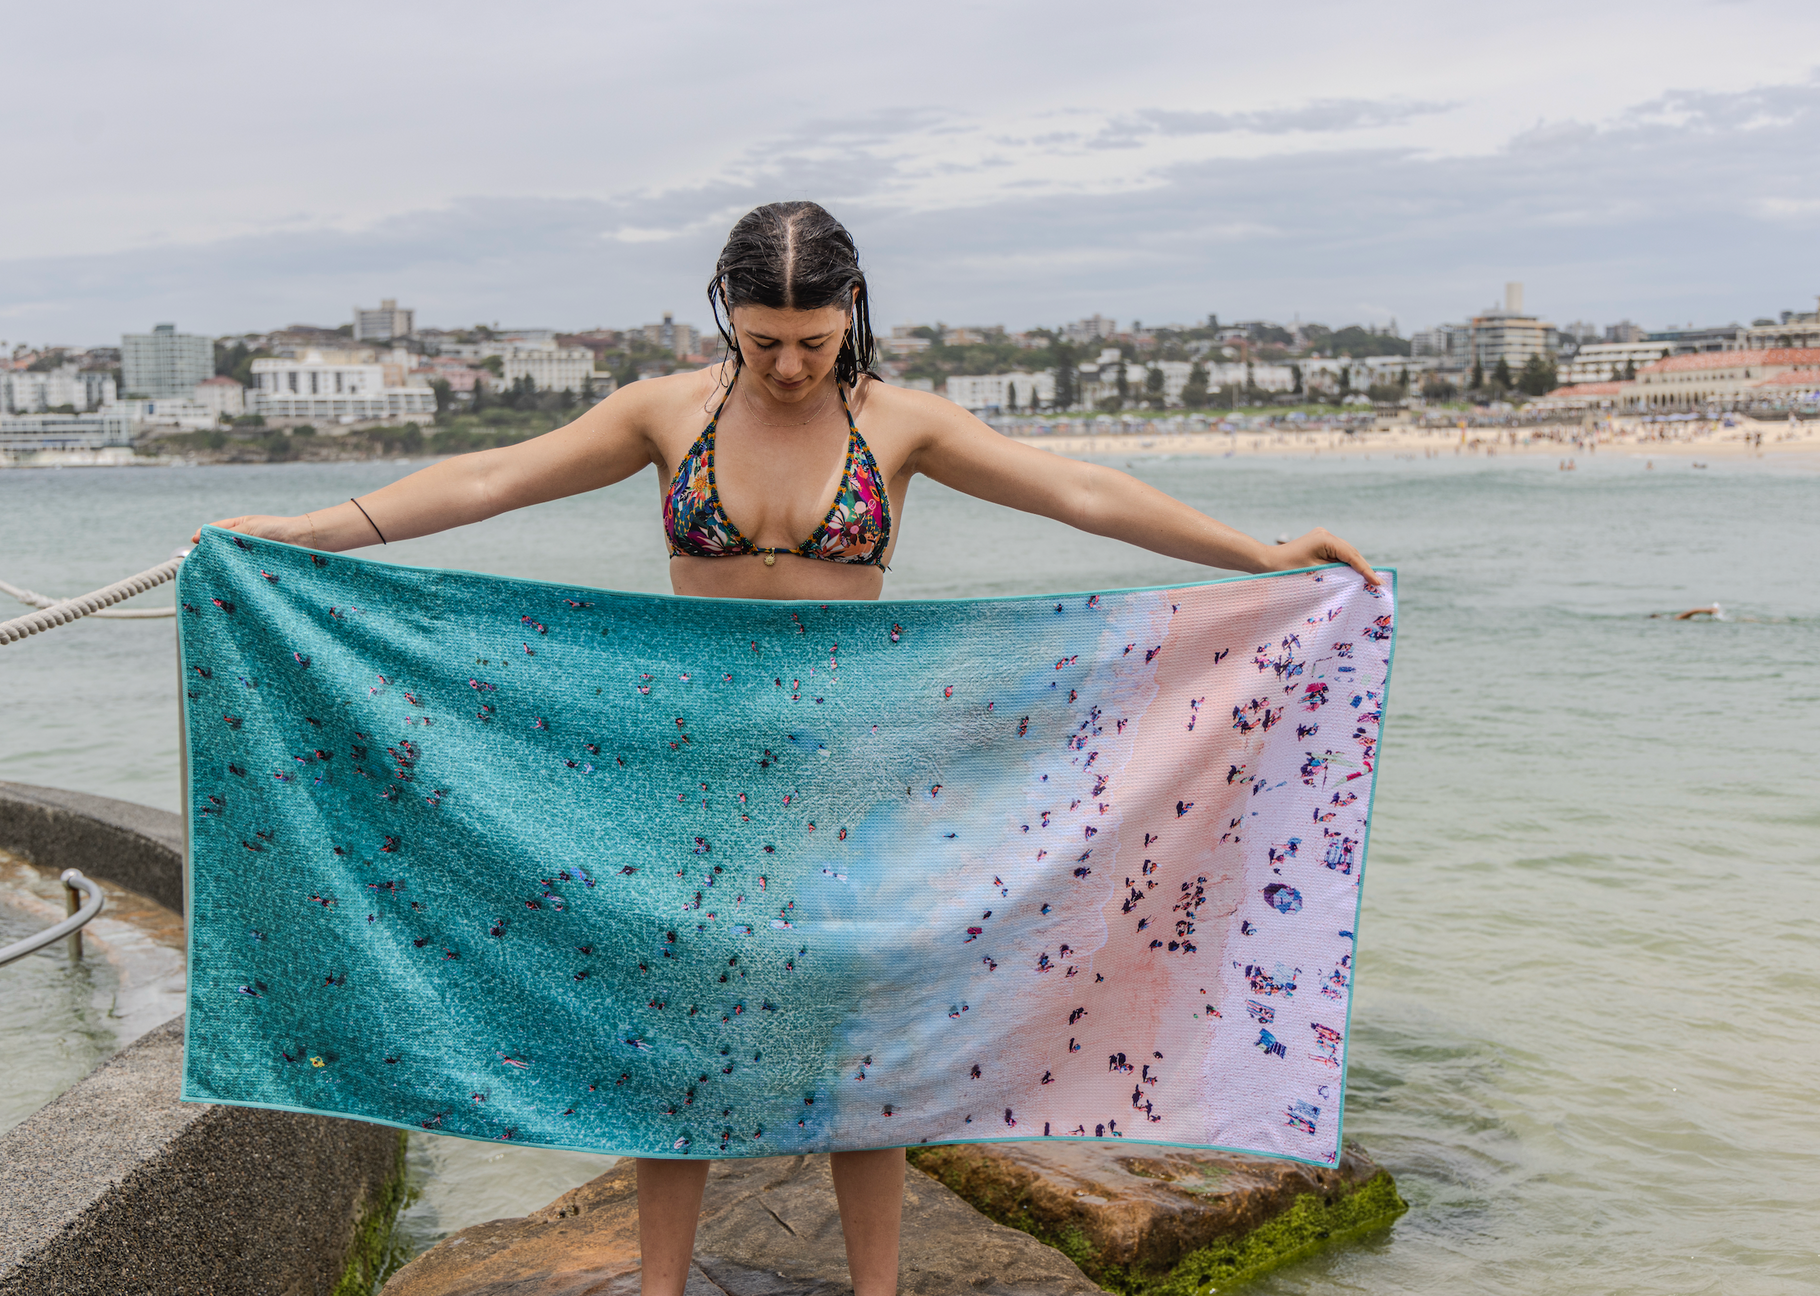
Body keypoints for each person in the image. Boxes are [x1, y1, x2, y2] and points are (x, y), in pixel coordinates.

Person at [194, 200, 1379, 1296]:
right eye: (765, 340)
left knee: (866, 1046)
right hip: (687, 776)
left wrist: (1258, 558)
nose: (792, 364)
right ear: (727, 311)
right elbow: (493, 476)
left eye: (814, 340)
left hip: (848, 778)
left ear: (850, 309)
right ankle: (661, 1289)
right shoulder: (666, 412)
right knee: (671, 1035)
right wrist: (310, 533)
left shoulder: (899, 423)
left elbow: (1079, 493)